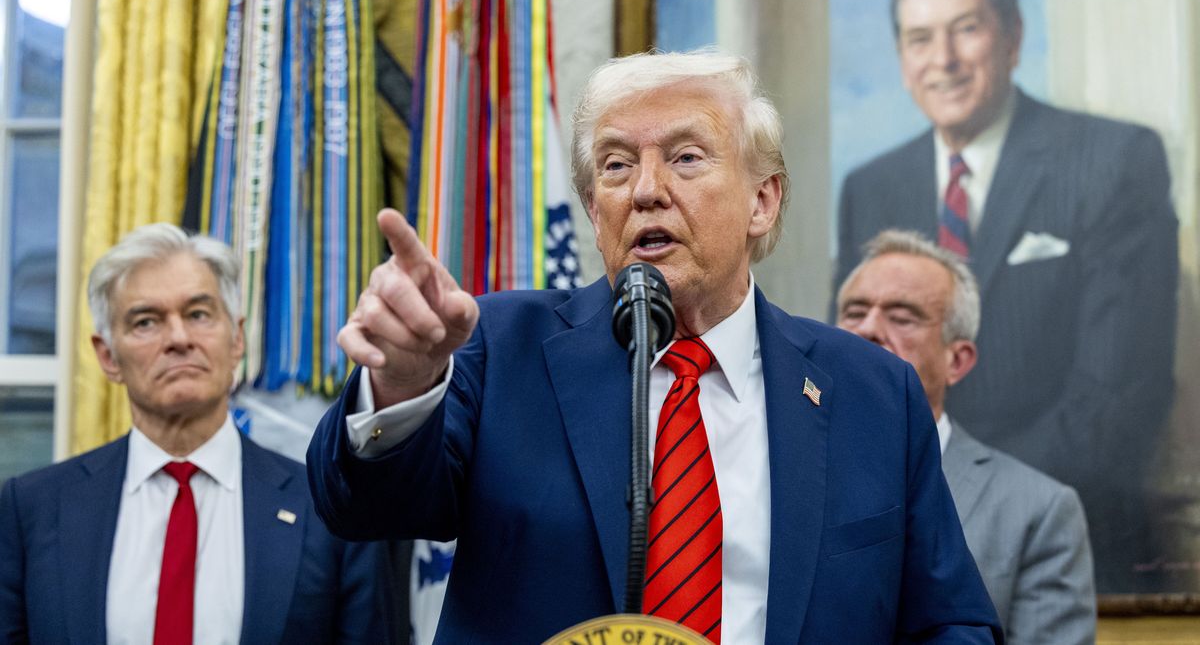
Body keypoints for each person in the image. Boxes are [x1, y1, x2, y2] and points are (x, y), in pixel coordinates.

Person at [307, 51, 1001, 643]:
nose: (645, 190)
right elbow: (366, 506)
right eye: (615, 166)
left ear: (763, 199)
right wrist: (402, 382)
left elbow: (953, 621)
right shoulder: (499, 349)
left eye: (685, 157)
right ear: (594, 212)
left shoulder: (873, 393)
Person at [834, 0, 1178, 590]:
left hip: (1069, 552)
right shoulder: (870, 188)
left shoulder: (1114, 162)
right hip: (891, 562)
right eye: (919, 38)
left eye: (966, 29)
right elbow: (855, 386)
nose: (943, 61)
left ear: (1014, 37)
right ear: (901, 55)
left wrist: (952, 501)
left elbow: (1115, 408)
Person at [0, 224, 394, 644]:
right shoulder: (33, 511)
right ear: (108, 356)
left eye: (198, 314)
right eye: (146, 322)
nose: (179, 338)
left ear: (237, 338)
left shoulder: (331, 512)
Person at [837, 229, 1095, 644]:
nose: (868, 329)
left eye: (901, 317)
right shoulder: (784, 465)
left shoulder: (1037, 510)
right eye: (853, 313)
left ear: (957, 360)